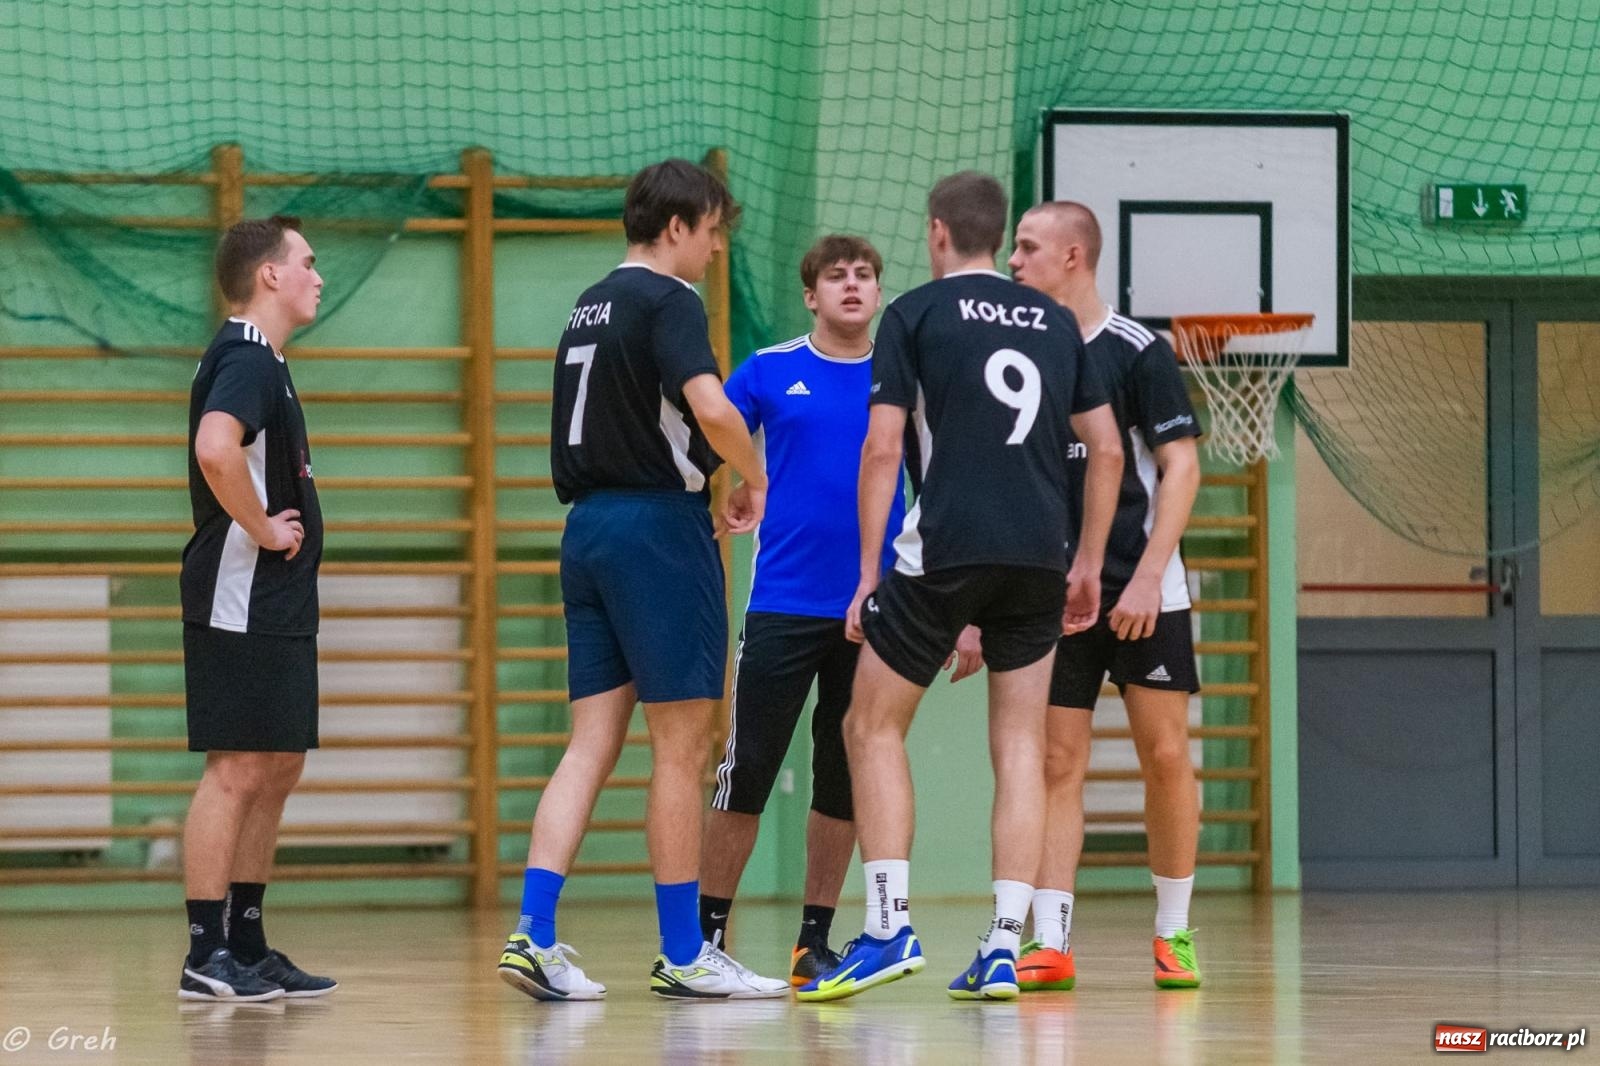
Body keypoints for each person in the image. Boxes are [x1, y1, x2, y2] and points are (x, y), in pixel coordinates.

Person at [795, 172, 1123, 1004]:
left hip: (944, 548)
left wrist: (870, 575)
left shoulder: (914, 312)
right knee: (1019, 749)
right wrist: (1087, 562)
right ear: (994, 233)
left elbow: (882, 448)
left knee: (868, 726)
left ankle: (888, 926)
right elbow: (1109, 452)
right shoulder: (1056, 321)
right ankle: (1006, 945)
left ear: (939, 233)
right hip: (1040, 556)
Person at [497, 158, 788, 1002]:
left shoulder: (587, 304)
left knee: (590, 744)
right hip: (658, 531)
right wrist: (755, 475)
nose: (715, 248)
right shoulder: (670, 300)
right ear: (677, 227)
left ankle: (535, 932)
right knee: (682, 746)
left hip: (585, 531)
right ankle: (684, 951)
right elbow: (713, 407)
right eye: (712, 231)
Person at [1001, 201, 1205, 990]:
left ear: (1074, 255)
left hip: (1144, 585)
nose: (1015, 261)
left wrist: (1151, 573)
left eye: (1028, 247)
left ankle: (1174, 931)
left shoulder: (1136, 351)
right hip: (1055, 598)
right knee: (1056, 761)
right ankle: (1049, 939)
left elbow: (1180, 468)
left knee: (1164, 757)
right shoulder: (1023, 354)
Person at [698, 235, 906, 987]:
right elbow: (710, 425)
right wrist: (743, 477)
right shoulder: (773, 368)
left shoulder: (901, 374)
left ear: (877, 293)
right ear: (811, 295)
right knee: (746, 767)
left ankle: (811, 942)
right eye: (835, 276)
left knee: (843, 776)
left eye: (864, 276)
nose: (852, 286)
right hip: (784, 603)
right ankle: (705, 939)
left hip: (875, 609)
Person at [179, 214, 336, 1001]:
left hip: (276, 599)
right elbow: (216, 448)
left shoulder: (266, 361)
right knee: (237, 769)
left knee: (277, 766)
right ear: (268, 274)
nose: (317, 275)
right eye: (306, 263)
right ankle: (205, 951)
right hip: (240, 594)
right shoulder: (244, 355)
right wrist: (259, 526)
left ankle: (245, 942)